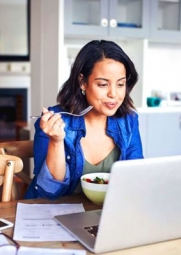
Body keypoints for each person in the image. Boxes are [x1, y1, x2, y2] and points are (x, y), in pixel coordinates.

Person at [25, 40, 143, 199]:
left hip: (106, 214)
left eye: (120, 84)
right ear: (82, 82)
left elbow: (136, 178)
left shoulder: (128, 121)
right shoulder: (55, 121)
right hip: (56, 214)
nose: (114, 94)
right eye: (103, 84)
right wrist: (56, 141)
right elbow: (49, 191)